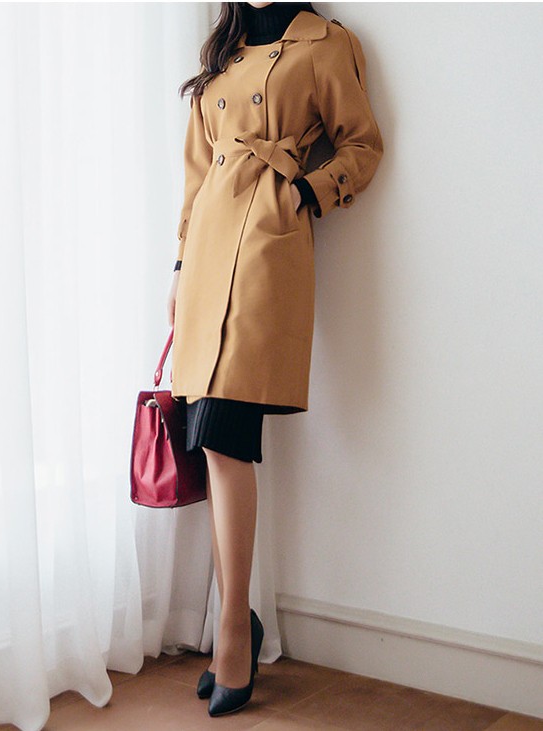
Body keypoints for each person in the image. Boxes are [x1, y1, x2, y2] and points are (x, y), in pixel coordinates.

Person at [166, 1, 383, 717]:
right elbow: (195, 178)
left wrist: (304, 192)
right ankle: (238, 619)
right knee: (209, 437)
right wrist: (178, 272)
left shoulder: (325, 43)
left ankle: (233, 629)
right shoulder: (222, 51)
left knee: (226, 433)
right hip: (205, 255)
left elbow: (362, 145)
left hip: (265, 246)